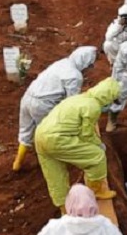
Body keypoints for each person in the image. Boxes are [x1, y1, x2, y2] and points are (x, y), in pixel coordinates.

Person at [35, 77, 121, 208]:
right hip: (57, 139)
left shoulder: (78, 98)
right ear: (107, 97)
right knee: (96, 157)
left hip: (40, 135)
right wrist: (98, 144)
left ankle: (64, 207)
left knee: (55, 176)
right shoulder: (93, 106)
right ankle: (96, 191)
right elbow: (86, 134)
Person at [14, 46, 99, 172]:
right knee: (51, 133)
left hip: (27, 98)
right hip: (42, 105)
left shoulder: (62, 63)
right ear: (84, 63)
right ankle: (53, 162)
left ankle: (17, 163)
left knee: (26, 131)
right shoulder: (75, 76)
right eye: (90, 66)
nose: (89, 69)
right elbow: (71, 103)